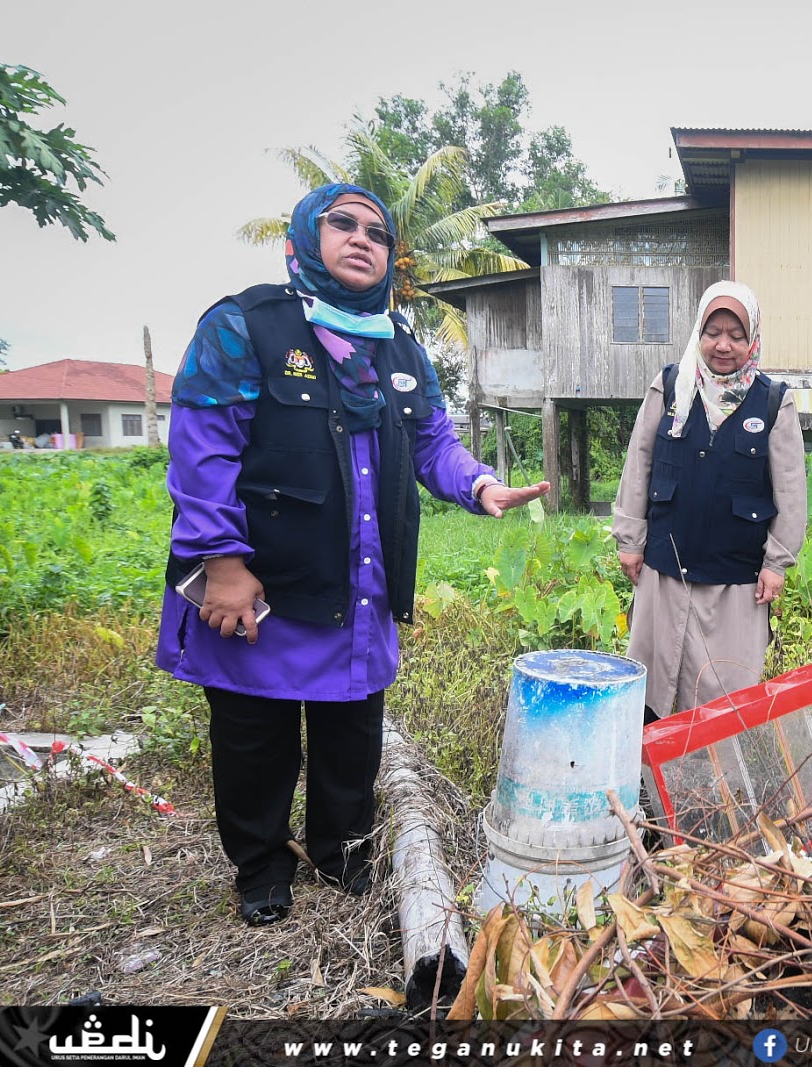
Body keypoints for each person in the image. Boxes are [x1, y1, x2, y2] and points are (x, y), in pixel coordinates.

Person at [157, 184, 548, 926]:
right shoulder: (246, 326)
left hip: (361, 583)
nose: (363, 238)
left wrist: (481, 485)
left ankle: (342, 852)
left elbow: (434, 440)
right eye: (343, 224)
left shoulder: (398, 346)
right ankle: (262, 868)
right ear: (304, 237)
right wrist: (225, 566)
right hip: (264, 582)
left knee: (350, 729)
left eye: (378, 230)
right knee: (255, 735)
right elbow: (201, 448)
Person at [612, 281, 808, 720]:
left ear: (752, 339)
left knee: (724, 700)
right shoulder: (669, 386)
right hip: (664, 571)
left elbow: (791, 490)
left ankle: (713, 788)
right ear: (698, 334)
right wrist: (630, 537)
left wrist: (776, 564)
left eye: (736, 335)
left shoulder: (774, 403)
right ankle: (648, 784)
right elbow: (639, 461)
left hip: (734, 584)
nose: (723, 345)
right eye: (713, 332)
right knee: (652, 688)